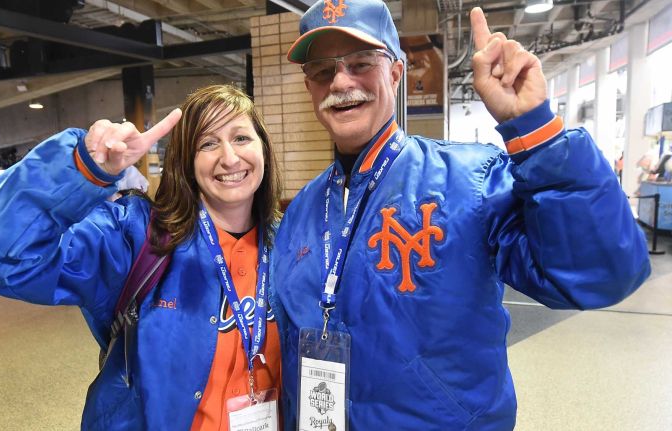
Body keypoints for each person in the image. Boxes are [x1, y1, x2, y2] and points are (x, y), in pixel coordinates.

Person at [270, 1, 651, 430]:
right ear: (310, 88)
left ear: (395, 73)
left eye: (360, 63)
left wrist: (536, 132)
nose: (341, 81)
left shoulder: (471, 181)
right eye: (323, 71)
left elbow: (604, 273)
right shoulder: (301, 210)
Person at [0, 85, 283, 430]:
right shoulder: (134, 236)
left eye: (242, 138)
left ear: (264, 147)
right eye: (207, 143)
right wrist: (80, 170)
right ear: (185, 160)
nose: (230, 158)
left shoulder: (292, 244)